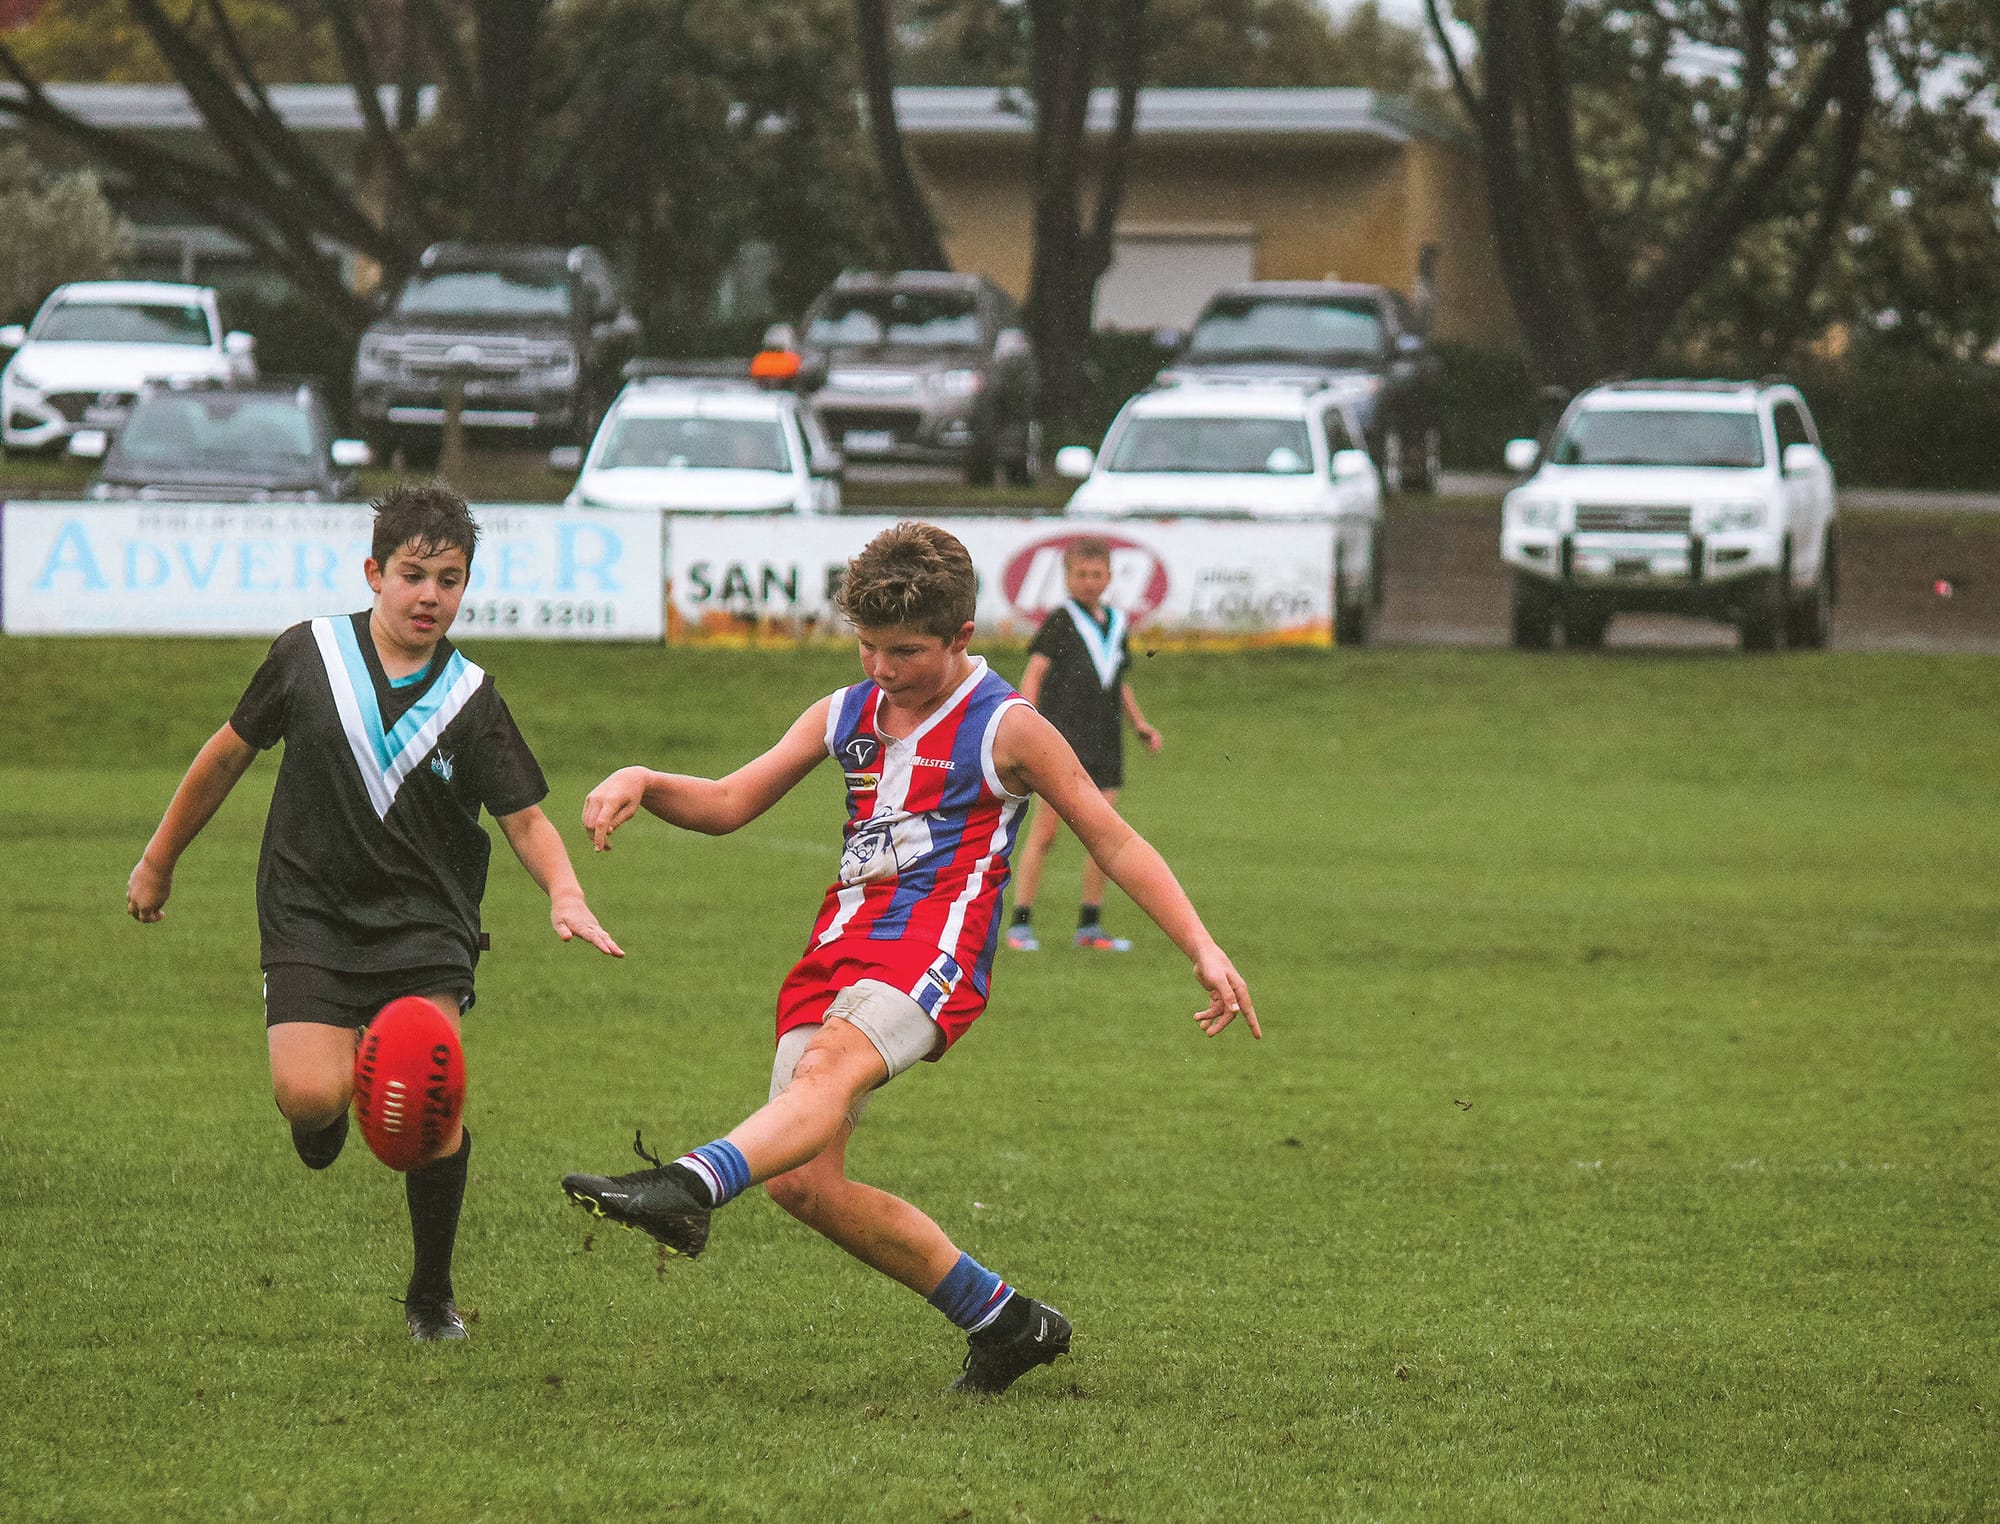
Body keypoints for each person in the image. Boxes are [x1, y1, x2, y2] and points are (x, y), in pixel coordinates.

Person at [561, 520, 1258, 1396]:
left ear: (961, 636)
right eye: (868, 647)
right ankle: (1005, 1322)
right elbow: (732, 801)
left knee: (826, 1076)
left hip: (935, 947)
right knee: (805, 1186)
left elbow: (1113, 840)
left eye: (906, 651)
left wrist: (1201, 945)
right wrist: (646, 780)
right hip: (837, 947)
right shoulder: (843, 712)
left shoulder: (1007, 726)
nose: (883, 669)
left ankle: (686, 1187)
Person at [126, 482, 623, 1342]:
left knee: (432, 1111)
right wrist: (158, 860)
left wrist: (567, 892)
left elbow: (527, 820)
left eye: (451, 579)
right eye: (414, 574)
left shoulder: (472, 698)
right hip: (309, 908)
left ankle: (431, 1296)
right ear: (374, 572)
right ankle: (319, 1123)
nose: (431, 595)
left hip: (426, 925)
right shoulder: (306, 655)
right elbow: (222, 760)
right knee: (310, 1095)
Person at [1005, 536, 1161, 953]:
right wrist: (1026, 720)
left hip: (1106, 742)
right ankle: (1021, 923)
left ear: (1109, 577)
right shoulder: (1059, 621)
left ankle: (1089, 926)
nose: (1089, 582)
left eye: (1097, 574)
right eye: (1081, 574)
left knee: (1105, 836)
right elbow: (1034, 674)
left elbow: (1117, 681)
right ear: (1068, 578)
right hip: (1062, 743)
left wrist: (1140, 723)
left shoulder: (1117, 623)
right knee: (1046, 833)